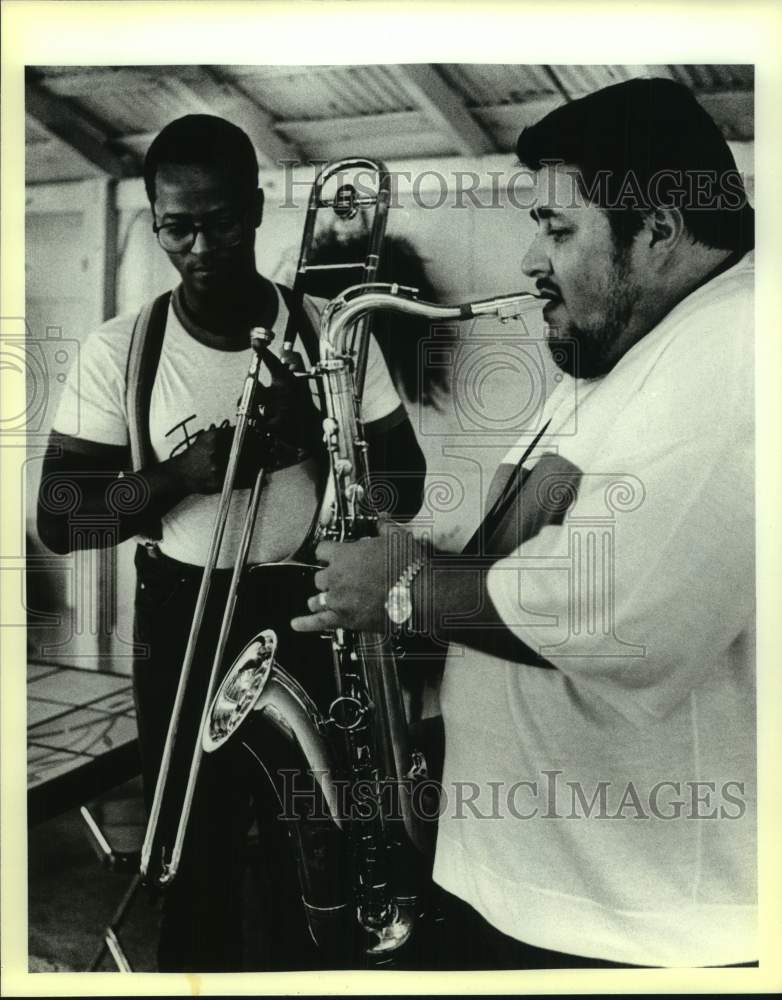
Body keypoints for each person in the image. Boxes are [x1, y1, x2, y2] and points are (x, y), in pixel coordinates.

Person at [290, 78, 756, 969]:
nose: (530, 264)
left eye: (557, 228)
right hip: (538, 884)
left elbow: (625, 611)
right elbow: (527, 543)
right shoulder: (623, 349)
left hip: (638, 925)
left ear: (659, 227)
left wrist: (402, 589)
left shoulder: (737, 348)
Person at [36, 114, 426, 971]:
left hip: (308, 606)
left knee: (316, 842)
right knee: (194, 854)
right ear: (153, 220)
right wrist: (181, 476)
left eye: (221, 221)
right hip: (180, 616)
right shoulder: (120, 351)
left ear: (256, 209)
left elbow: (407, 488)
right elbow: (63, 521)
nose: (202, 245)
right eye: (178, 226)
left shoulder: (335, 335)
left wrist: (322, 427)